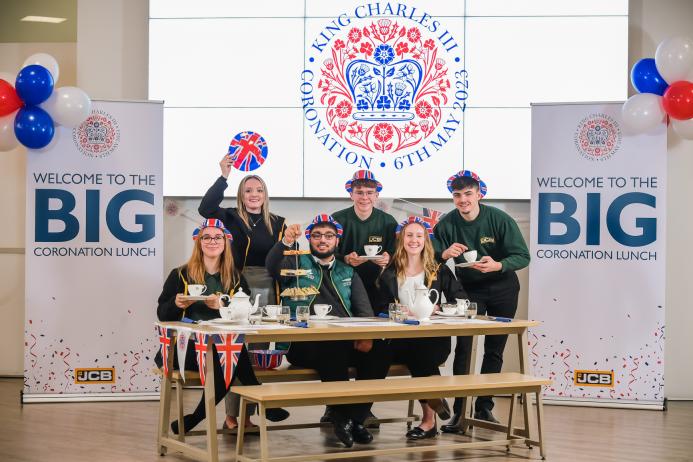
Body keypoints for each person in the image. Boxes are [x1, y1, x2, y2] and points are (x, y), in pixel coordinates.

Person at [266, 214, 390, 448]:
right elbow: (271, 266)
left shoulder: (347, 271)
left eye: (329, 235)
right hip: (302, 344)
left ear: (337, 240)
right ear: (309, 239)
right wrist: (284, 242)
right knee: (332, 346)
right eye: (317, 235)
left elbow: (364, 310)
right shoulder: (295, 263)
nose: (323, 240)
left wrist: (367, 335)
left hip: (342, 341)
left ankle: (354, 419)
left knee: (380, 350)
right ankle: (344, 416)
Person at [155, 219, 288, 434]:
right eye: (206, 237)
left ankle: (195, 418)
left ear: (226, 242)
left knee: (227, 354)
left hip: (222, 348)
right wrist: (175, 304)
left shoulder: (235, 277)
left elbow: (245, 314)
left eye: (218, 237)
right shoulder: (180, 274)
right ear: (198, 242)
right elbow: (162, 314)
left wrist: (223, 305)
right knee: (229, 356)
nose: (212, 241)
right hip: (185, 347)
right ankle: (260, 396)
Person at [433, 170, 530, 430]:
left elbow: (522, 256)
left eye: (467, 194)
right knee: (464, 349)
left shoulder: (499, 219)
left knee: (494, 349)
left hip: (503, 288)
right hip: (469, 291)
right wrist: (443, 253)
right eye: (457, 195)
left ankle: (484, 408)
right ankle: (460, 412)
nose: (463, 199)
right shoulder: (446, 224)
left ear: (479, 193)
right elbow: (428, 256)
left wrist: (499, 264)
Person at [198, 159, 286, 428]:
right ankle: (231, 417)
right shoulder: (230, 216)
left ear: (265, 194)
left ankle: (247, 415)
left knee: (256, 354)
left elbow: (284, 258)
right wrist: (224, 176)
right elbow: (205, 208)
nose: (254, 195)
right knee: (235, 350)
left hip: (268, 288)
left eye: (258, 190)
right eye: (248, 190)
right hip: (237, 286)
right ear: (241, 195)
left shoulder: (278, 222)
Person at [375, 216, 467, 440]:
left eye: (419, 236)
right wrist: (396, 311)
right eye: (409, 235)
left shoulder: (438, 269)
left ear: (426, 240)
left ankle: (428, 421)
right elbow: (377, 306)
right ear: (401, 239)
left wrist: (439, 309)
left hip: (432, 338)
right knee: (396, 354)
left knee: (421, 353)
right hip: (398, 337)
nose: (414, 240)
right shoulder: (390, 270)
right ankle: (432, 409)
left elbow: (461, 300)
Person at [331, 170, 397, 427]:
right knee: (340, 346)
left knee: (371, 347)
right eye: (359, 192)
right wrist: (344, 259)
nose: (364, 197)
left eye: (370, 192)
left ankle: (362, 407)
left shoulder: (388, 221)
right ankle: (335, 406)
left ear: (377, 194)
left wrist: (388, 258)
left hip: (377, 290)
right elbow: (324, 252)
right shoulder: (338, 219)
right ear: (351, 193)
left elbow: (397, 253)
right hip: (342, 290)